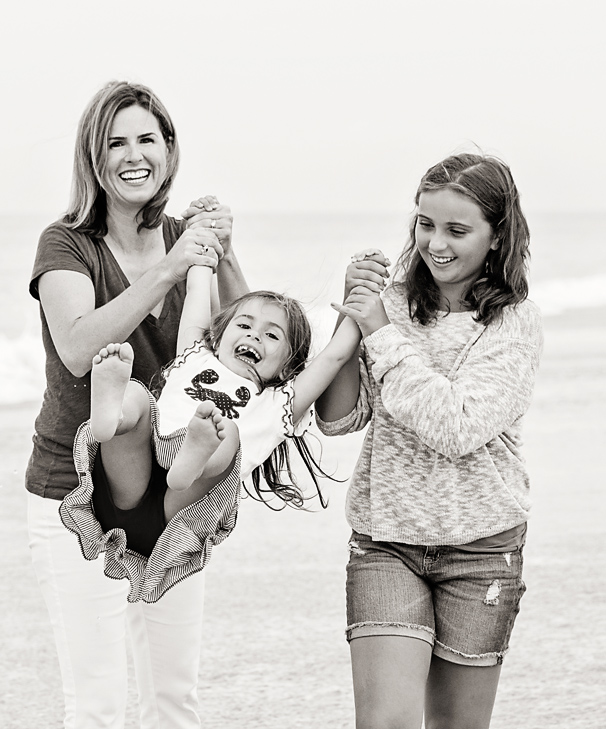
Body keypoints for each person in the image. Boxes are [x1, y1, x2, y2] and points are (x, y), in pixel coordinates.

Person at [25, 80, 246, 729]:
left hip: (174, 496)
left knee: (173, 701)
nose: (133, 155)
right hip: (75, 497)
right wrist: (170, 269)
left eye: (147, 138)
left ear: (169, 149)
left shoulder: (185, 240)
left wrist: (223, 253)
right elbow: (76, 345)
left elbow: (246, 347)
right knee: (96, 705)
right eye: (115, 142)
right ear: (94, 158)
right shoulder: (66, 244)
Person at [317, 153, 544, 729]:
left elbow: (456, 427)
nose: (434, 243)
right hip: (386, 543)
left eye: (456, 230)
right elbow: (339, 420)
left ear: (497, 237)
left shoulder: (514, 324)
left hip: (482, 550)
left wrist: (380, 333)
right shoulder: (389, 307)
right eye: (424, 223)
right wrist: (352, 318)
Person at [60, 253, 361, 603]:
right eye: (244, 325)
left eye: (271, 335)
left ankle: (193, 457)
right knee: (138, 397)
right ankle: (112, 417)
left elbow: (334, 357)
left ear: (287, 367)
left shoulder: (280, 404)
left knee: (226, 434)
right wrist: (202, 257)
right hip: (127, 486)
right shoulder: (194, 356)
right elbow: (196, 299)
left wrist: (360, 296)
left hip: (178, 517)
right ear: (219, 337)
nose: (254, 336)